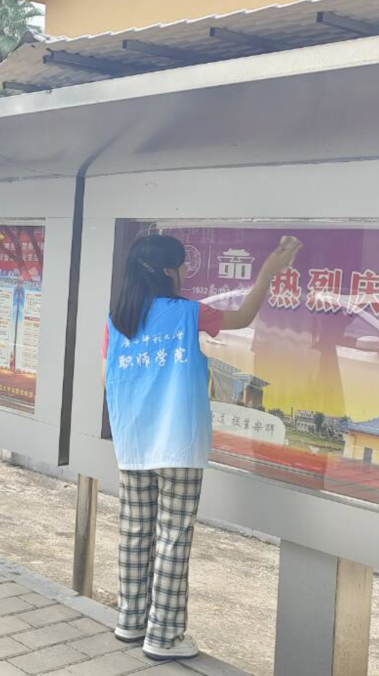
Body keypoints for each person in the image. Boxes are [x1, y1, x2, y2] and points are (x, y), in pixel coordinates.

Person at [104, 234, 302, 661]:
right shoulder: (188, 313)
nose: (184, 273)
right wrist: (268, 273)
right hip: (178, 441)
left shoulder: (117, 320)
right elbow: (244, 317)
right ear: (166, 271)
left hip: (134, 441)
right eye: (181, 266)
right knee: (173, 536)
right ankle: (164, 636)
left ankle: (130, 620)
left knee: (135, 531)